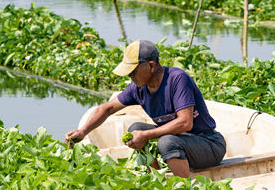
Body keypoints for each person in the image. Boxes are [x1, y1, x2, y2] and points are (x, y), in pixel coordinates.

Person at [65, 40, 226, 178]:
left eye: (133, 71)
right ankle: (157, 180)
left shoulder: (177, 79)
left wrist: (146, 135)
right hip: (182, 141)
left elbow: (185, 123)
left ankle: (183, 189)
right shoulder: (138, 88)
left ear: (151, 66)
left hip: (209, 144)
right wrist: (83, 131)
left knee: (166, 142)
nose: (130, 76)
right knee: (136, 128)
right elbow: (107, 109)